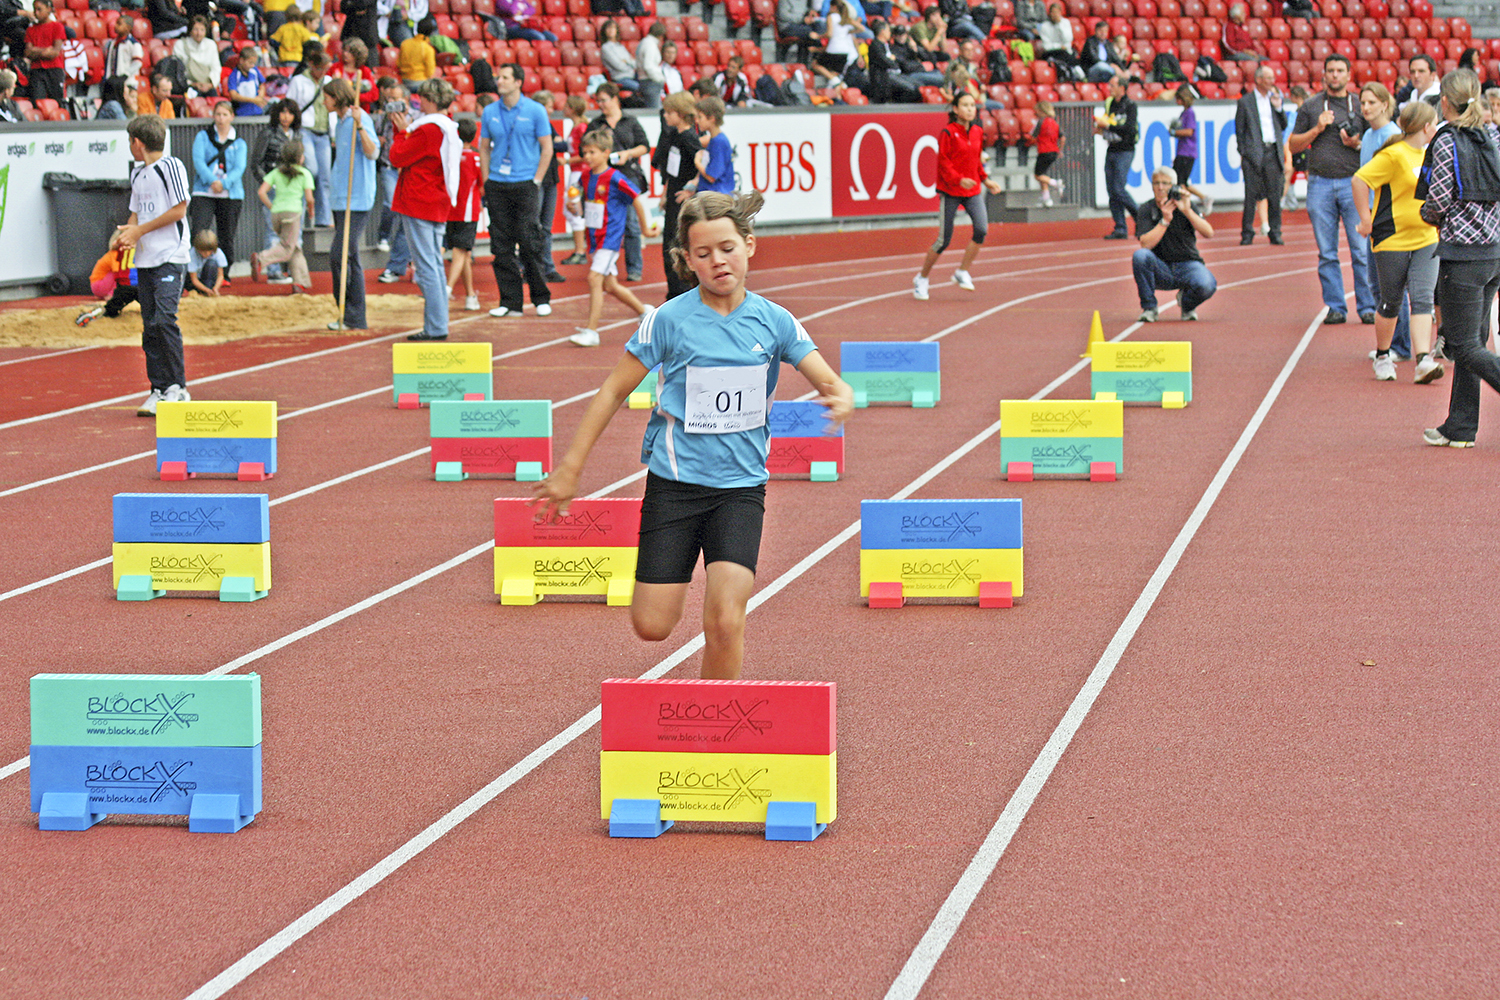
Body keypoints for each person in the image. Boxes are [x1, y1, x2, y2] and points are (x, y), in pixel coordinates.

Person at [532, 191, 854, 680]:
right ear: (687, 261)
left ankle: (715, 732)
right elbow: (612, 391)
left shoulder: (775, 321)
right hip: (675, 488)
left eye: (726, 248)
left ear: (749, 246)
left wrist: (840, 394)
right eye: (703, 254)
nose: (717, 261)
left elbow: (828, 379)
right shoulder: (667, 321)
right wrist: (570, 469)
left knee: (726, 619)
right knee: (652, 625)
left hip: (741, 491)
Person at [1420, 70, 1500, 447]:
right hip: (1494, 253)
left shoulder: (1446, 141)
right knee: (1475, 341)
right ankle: (1461, 426)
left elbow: (1436, 199)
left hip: (1463, 255)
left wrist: (1429, 217)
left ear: (1445, 102)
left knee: (1461, 343)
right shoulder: (1495, 136)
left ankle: (1461, 425)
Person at [1354, 99, 1442, 384]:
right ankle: (1383, 355)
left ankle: (1423, 360)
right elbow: (1359, 180)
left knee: (1422, 300)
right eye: (1435, 124)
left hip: (1426, 237)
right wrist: (1366, 220)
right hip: (1392, 238)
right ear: (1427, 126)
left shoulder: (1430, 154)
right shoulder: (1394, 155)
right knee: (1391, 302)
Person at [115, 115, 193, 417]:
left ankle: (178, 387)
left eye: (130, 141)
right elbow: (135, 214)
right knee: (149, 326)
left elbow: (179, 209)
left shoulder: (170, 167)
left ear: (137, 142)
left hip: (170, 255)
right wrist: (124, 235)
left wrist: (140, 231)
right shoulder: (138, 175)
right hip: (145, 259)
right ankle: (158, 389)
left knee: (164, 319)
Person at [1290, 53, 1373, 325]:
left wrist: (1357, 144)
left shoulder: (1361, 104)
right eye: (1330, 71)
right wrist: (1317, 129)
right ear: (1323, 74)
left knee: (1361, 250)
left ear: (1349, 75)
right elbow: (1293, 145)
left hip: (1355, 183)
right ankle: (1336, 306)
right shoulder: (1311, 106)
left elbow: (1379, 140)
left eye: (1340, 70)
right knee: (1327, 252)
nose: (1335, 75)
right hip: (1320, 183)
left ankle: (1368, 306)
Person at [565, 129, 659, 347]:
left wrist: (645, 229)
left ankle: (591, 332)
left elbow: (636, 198)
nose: (587, 157)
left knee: (593, 279)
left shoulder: (615, 177)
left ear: (606, 152)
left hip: (610, 237)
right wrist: (575, 206)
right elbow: (587, 205)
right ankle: (644, 311)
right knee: (610, 285)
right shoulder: (586, 176)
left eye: (592, 152)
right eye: (584, 152)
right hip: (594, 237)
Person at [389, 76, 461, 341]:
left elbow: (397, 156)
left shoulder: (428, 129)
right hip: (437, 200)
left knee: (426, 266)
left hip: (419, 200)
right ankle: (438, 323)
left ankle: (435, 326)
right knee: (434, 264)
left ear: (429, 100)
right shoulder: (447, 126)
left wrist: (400, 132)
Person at [480, 62, 554, 318]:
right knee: (500, 245)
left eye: (505, 77)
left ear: (518, 82)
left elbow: (547, 148)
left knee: (529, 241)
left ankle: (540, 297)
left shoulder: (536, 110)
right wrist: (487, 180)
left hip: (525, 185)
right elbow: (484, 147)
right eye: (499, 77)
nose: (499, 81)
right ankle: (510, 301)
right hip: (497, 185)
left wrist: (536, 180)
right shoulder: (489, 111)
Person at [913, 90, 1002, 300]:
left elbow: (977, 161)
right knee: (944, 240)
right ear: (955, 109)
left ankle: (962, 271)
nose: (970, 109)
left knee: (981, 229)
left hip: (972, 191)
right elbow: (944, 163)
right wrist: (958, 179)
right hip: (951, 190)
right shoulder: (947, 133)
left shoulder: (978, 132)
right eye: (965, 105)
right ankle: (922, 278)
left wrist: (985, 179)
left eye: (972, 105)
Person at [1358, 81, 1412, 362]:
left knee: (1389, 286)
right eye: (1362, 102)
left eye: (1371, 102)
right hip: (1373, 218)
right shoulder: (1369, 136)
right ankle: (1393, 343)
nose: (1365, 107)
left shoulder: (1392, 135)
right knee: (1378, 285)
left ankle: (1400, 346)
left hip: (1387, 220)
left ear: (1384, 104)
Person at [325, 77, 379, 330]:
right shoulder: (337, 121)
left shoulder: (360, 118)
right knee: (351, 255)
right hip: (340, 196)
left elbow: (373, 152)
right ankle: (353, 316)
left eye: (326, 97)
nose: (323, 101)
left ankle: (350, 310)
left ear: (336, 96)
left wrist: (360, 126)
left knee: (340, 254)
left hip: (357, 198)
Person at [1132, 166, 1217, 321]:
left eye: (1165, 183)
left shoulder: (1186, 205)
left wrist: (1187, 211)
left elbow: (1209, 232)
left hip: (1187, 264)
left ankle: (1187, 304)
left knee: (1207, 285)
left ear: (1174, 186)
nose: (1160, 187)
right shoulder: (1146, 208)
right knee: (1140, 256)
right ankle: (1149, 308)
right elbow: (1145, 244)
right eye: (1156, 183)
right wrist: (1164, 220)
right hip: (1160, 268)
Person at [588, 81, 649, 282]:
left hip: (626, 175)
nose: (601, 105)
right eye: (598, 101)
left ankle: (634, 268)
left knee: (630, 223)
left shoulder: (630, 121)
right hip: (603, 177)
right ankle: (606, 264)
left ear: (615, 99)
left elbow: (644, 146)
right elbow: (586, 146)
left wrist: (628, 154)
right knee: (600, 219)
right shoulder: (596, 124)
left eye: (604, 100)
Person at [187, 101, 247, 272]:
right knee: (198, 233)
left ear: (232, 117)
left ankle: (224, 274)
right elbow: (198, 161)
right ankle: (193, 275)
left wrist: (224, 183)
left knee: (226, 236)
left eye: (225, 115)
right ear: (213, 116)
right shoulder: (203, 137)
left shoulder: (239, 142)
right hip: (204, 192)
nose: (221, 119)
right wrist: (212, 181)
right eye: (218, 114)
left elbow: (239, 168)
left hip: (230, 194)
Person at [653, 91, 702, 300]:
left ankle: (682, 290)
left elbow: (704, 164)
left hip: (684, 198)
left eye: (669, 112)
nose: (665, 116)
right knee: (669, 244)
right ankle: (674, 290)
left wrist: (691, 188)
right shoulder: (673, 135)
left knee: (676, 244)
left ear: (680, 114)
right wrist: (665, 193)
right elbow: (671, 170)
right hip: (673, 194)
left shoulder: (690, 137)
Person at [253, 137, 315, 290]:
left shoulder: (276, 172)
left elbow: (261, 192)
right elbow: (309, 198)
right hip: (292, 215)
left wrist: (271, 206)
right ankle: (261, 259)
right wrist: (311, 212)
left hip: (276, 215)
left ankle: (299, 282)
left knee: (294, 247)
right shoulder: (304, 173)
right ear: (300, 158)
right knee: (287, 248)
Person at [1236, 65, 1286, 245]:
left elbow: (1283, 124)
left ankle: (1275, 231)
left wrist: (1279, 108)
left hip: (1273, 151)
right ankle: (1247, 232)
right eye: (1269, 78)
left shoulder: (1275, 100)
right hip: (1253, 154)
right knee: (1251, 196)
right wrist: (1244, 151)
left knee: (1274, 194)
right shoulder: (1245, 102)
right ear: (1258, 80)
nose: (1273, 82)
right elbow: (1239, 131)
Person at [287, 49, 334, 227]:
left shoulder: (328, 82)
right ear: (311, 65)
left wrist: (334, 133)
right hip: (305, 129)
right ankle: (305, 210)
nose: (322, 72)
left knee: (325, 177)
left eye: (325, 69)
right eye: (320, 68)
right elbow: (290, 105)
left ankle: (323, 218)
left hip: (323, 132)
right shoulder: (299, 81)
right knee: (312, 170)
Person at [255, 97, 300, 281]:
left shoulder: (298, 135)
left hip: (294, 190)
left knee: (294, 232)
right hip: (274, 189)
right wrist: (268, 182)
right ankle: (273, 271)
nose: (285, 117)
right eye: (282, 112)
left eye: (290, 113)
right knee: (272, 230)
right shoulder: (267, 133)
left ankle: (291, 270)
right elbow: (255, 163)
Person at [445, 116, 483, 313]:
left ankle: (470, 296)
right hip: (468, 212)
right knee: (460, 252)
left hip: (449, 210)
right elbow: (483, 186)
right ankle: (447, 288)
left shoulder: (449, 156)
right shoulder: (476, 159)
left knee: (464, 254)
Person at [1097, 74, 1138, 239]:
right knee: (1112, 191)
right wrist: (1101, 128)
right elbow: (1108, 123)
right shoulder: (1110, 103)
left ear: (1122, 88)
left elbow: (1129, 129)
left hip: (1125, 150)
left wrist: (1108, 126)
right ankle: (1120, 227)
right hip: (1112, 149)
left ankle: (1140, 217)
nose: (1109, 89)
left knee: (1118, 189)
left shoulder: (1130, 105)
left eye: (1112, 86)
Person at [531, 89, 566, 283]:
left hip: (550, 179)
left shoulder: (547, 126)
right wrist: (555, 143)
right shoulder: (535, 125)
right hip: (538, 179)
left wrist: (554, 143)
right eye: (549, 106)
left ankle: (547, 266)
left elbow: (563, 146)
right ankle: (533, 266)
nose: (551, 110)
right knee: (535, 226)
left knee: (546, 227)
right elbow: (557, 145)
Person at [558, 93, 593, 266]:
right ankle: (580, 249)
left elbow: (586, 153)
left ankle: (580, 250)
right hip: (575, 172)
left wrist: (567, 160)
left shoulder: (581, 128)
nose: (563, 109)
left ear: (571, 109)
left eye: (566, 106)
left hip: (579, 172)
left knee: (574, 210)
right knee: (571, 209)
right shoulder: (577, 126)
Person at [1170, 84, 1210, 215]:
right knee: (1181, 182)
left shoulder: (1189, 113)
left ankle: (1192, 206)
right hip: (1183, 151)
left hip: (1187, 152)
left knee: (1180, 183)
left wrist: (1175, 132)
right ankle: (1201, 199)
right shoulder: (1185, 112)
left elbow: (1189, 131)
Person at [75, 246, 140, 326]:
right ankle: (98, 313)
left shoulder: (121, 251)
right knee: (153, 306)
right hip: (136, 285)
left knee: (112, 308)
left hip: (124, 285)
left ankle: (96, 313)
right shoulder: (140, 246)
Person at [24, 0, 65, 103]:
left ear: (49, 9)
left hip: (55, 69)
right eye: (35, 10)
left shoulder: (57, 27)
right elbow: (28, 53)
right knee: (37, 102)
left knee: (57, 102)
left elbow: (55, 53)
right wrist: (45, 50)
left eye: (39, 9)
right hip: (37, 70)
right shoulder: (31, 30)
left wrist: (35, 50)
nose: (36, 13)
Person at [693, 95, 734, 194]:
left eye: (700, 117)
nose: (697, 121)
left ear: (712, 118)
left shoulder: (719, 142)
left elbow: (711, 176)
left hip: (716, 197)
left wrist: (697, 162)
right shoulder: (713, 139)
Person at [813, 0, 859, 85]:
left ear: (834, 7)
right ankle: (837, 85)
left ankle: (836, 81)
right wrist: (850, 32)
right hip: (845, 51)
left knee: (815, 65)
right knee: (835, 73)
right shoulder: (845, 18)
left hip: (834, 49)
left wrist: (818, 36)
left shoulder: (831, 16)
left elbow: (830, 34)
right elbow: (861, 28)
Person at [173, 16, 221, 96]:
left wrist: (210, 84)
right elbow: (177, 71)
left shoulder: (211, 45)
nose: (199, 33)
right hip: (188, 85)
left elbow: (216, 68)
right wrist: (192, 84)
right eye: (196, 29)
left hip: (207, 84)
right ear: (190, 30)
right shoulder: (180, 44)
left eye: (202, 30)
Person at [1036, 2, 1080, 83]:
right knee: (1064, 57)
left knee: (1072, 56)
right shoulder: (1045, 26)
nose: (1055, 15)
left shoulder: (1065, 23)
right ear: (1049, 13)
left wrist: (1059, 25)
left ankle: (1076, 74)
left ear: (1060, 13)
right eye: (1053, 12)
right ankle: (1074, 74)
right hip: (1052, 52)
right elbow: (1047, 46)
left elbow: (1068, 39)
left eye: (1057, 12)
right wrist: (1059, 46)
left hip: (1066, 52)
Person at [332, 38, 378, 112]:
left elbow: (374, 94)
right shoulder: (335, 68)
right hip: (339, 111)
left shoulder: (364, 71)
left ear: (358, 54)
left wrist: (355, 96)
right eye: (344, 50)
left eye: (349, 51)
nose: (345, 53)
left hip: (360, 111)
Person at [597, 19, 640, 99]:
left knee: (649, 83)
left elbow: (634, 63)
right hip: (620, 79)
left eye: (613, 28)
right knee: (640, 88)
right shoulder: (605, 48)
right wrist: (628, 63)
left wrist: (627, 62)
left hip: (632, 76)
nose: (611, 30)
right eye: (608, 28)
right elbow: (619, 66)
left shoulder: (620, 46)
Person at [1033, 99, 1063, 206]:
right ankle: (1047, 199)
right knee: (1043, 174)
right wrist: (1060, 149)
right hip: (1054, 151)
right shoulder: (1055, 122)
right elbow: (1062, 137)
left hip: (1044, 151)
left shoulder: (1042, 121)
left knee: (1037, 175)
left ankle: (1055, 183)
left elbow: (1033, 135)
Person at [227, 45, 269, 115]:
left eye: (254, 63)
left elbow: (262, 84)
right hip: (242, 113)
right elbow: (233, 95)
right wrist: (253, 100)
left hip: (257, 111)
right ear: (241, 60)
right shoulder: (234, 76)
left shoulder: (254, 70)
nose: (252, 65)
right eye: (250, 63)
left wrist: (260, 97)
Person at [103, 13, 143, 82]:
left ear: (128, 28)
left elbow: (137, 63)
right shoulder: (112, 42)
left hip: (127, 81)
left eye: (119, 24)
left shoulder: (133, 44)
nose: (115, 26)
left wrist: (125, 74)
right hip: (112, 80)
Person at [187, 229, 227, 296]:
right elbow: (194, 279)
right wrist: (206, 290)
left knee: (211, 264)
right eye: (203, 251)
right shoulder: (192, 253)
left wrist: (215, 288)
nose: (207, 254)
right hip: (194, 282)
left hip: (208, 280)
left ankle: (207, 292)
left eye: (209, 251)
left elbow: (220, 275)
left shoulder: (218, 253)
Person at [397, 14, 435, 84]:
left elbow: (398, 63)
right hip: (420, 82)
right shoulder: (428, 49)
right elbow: (430, 72)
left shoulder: (405, 43)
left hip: (404, 81)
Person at [634, 20, 665, 108]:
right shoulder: (650, 45)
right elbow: (648, 66)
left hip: (647, 82)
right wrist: (658, 79)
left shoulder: (645, 42)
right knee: (655, 112)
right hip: (650, 82)